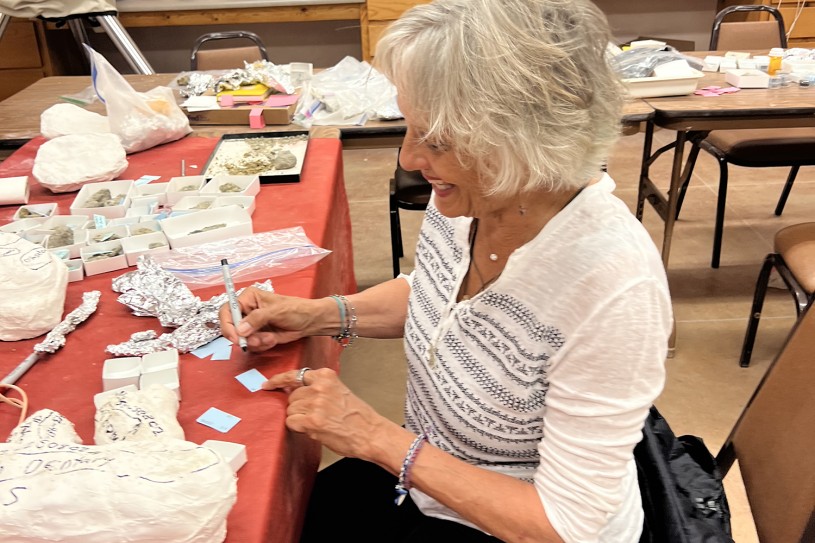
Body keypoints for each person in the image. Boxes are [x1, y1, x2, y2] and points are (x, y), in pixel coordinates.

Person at [219, 0, 672, 541]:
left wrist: (374, 438)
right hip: (429, 484)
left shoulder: (613, 285)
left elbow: (562, 526)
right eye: (411, 129)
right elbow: (438, 295)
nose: (409, 159)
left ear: (525, 140)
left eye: (435, 139)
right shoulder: (476, 196)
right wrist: (317, 314)